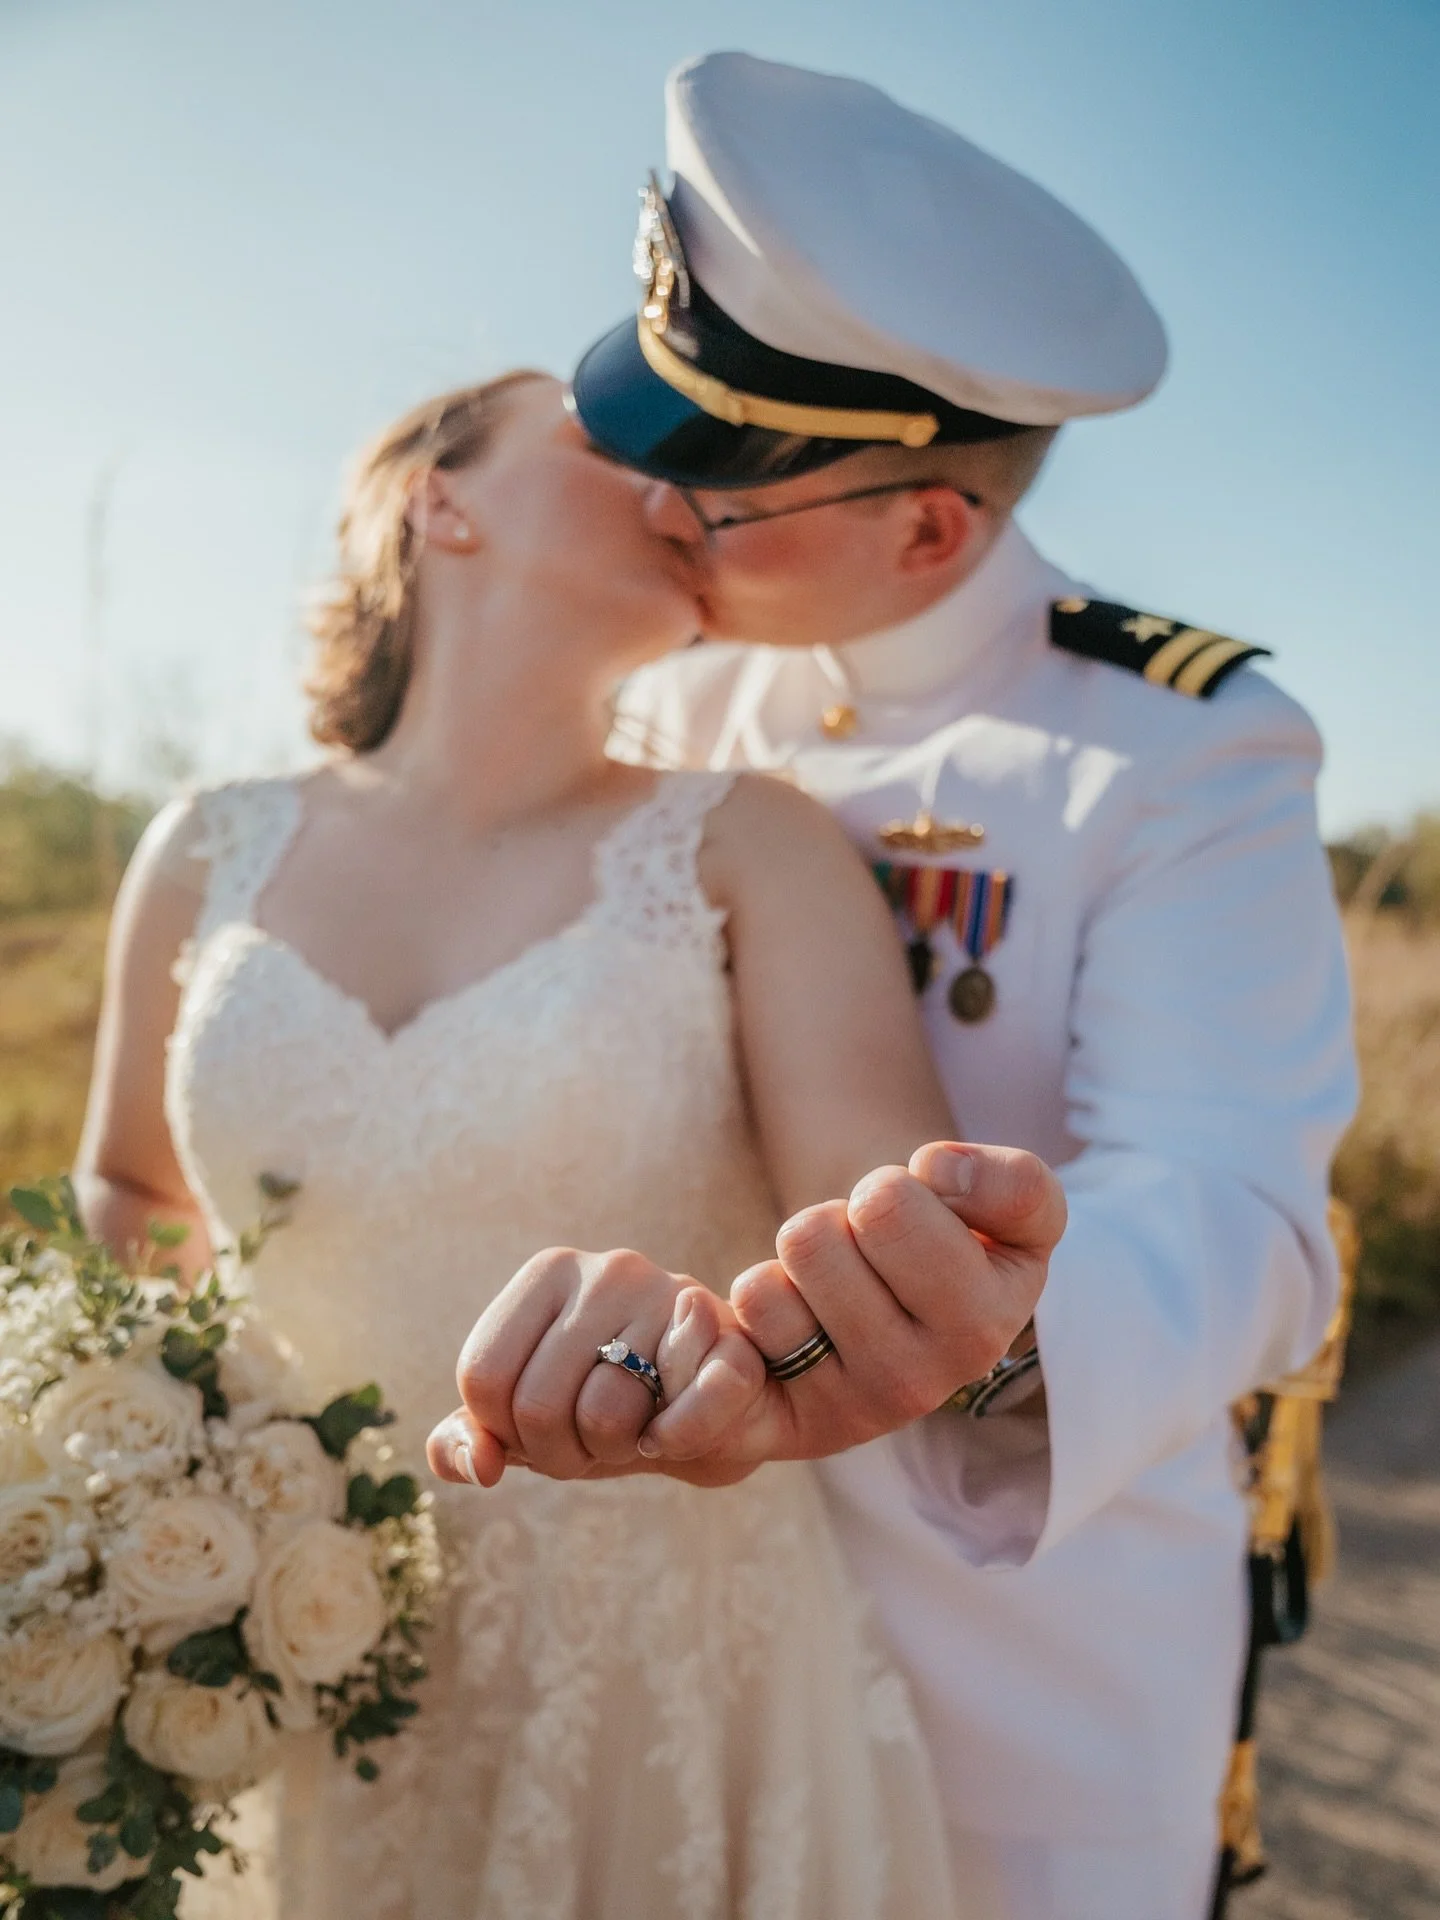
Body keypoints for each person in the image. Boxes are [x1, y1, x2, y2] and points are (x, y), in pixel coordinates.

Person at [428, 52, 1359, 1920]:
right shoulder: (675, 702)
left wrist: (997, 1335)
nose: (658, 513)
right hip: (669, 1614)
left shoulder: (1177, 745)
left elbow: (1239, 1208)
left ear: (930, 528)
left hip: (1018, 1654)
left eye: (718, 493)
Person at [70, 369, 1028, 1917]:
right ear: (438, 503)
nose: (681, 472)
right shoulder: (205, 843)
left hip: (656, 1657)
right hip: (284, 1635)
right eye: (609, 438)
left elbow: (877, 1240)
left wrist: (761, 1352)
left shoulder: (748, 840)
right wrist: (139, 1497)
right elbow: (130, 1185)